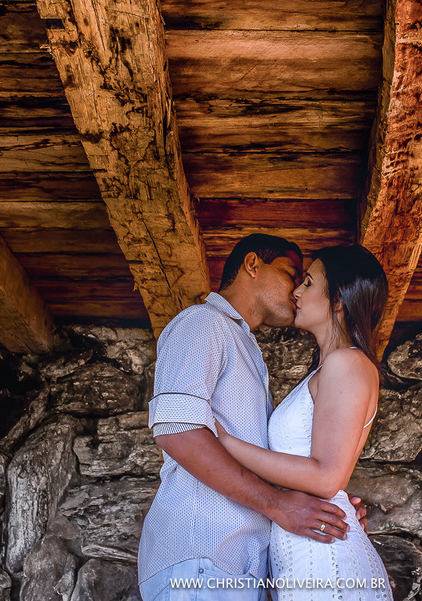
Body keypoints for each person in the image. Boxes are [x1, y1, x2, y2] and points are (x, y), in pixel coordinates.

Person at [138, 234, 369, 601]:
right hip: (203, 558)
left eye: (305, 281)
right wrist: (279, 504)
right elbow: (178, 433)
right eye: (293, 273)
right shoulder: (202, 323)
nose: (297, 289)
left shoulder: (245, 348)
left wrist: (321, 504)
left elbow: (262, 461)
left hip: (241, 570)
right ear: (252, 265)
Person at [214, 244, 392, 600]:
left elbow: (327, 477)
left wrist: (225, 443)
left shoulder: (347, 363)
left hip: (326, 557)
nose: (296, 291)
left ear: (339, 300)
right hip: (308, 548)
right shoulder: (331, 368)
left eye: (308, 283)